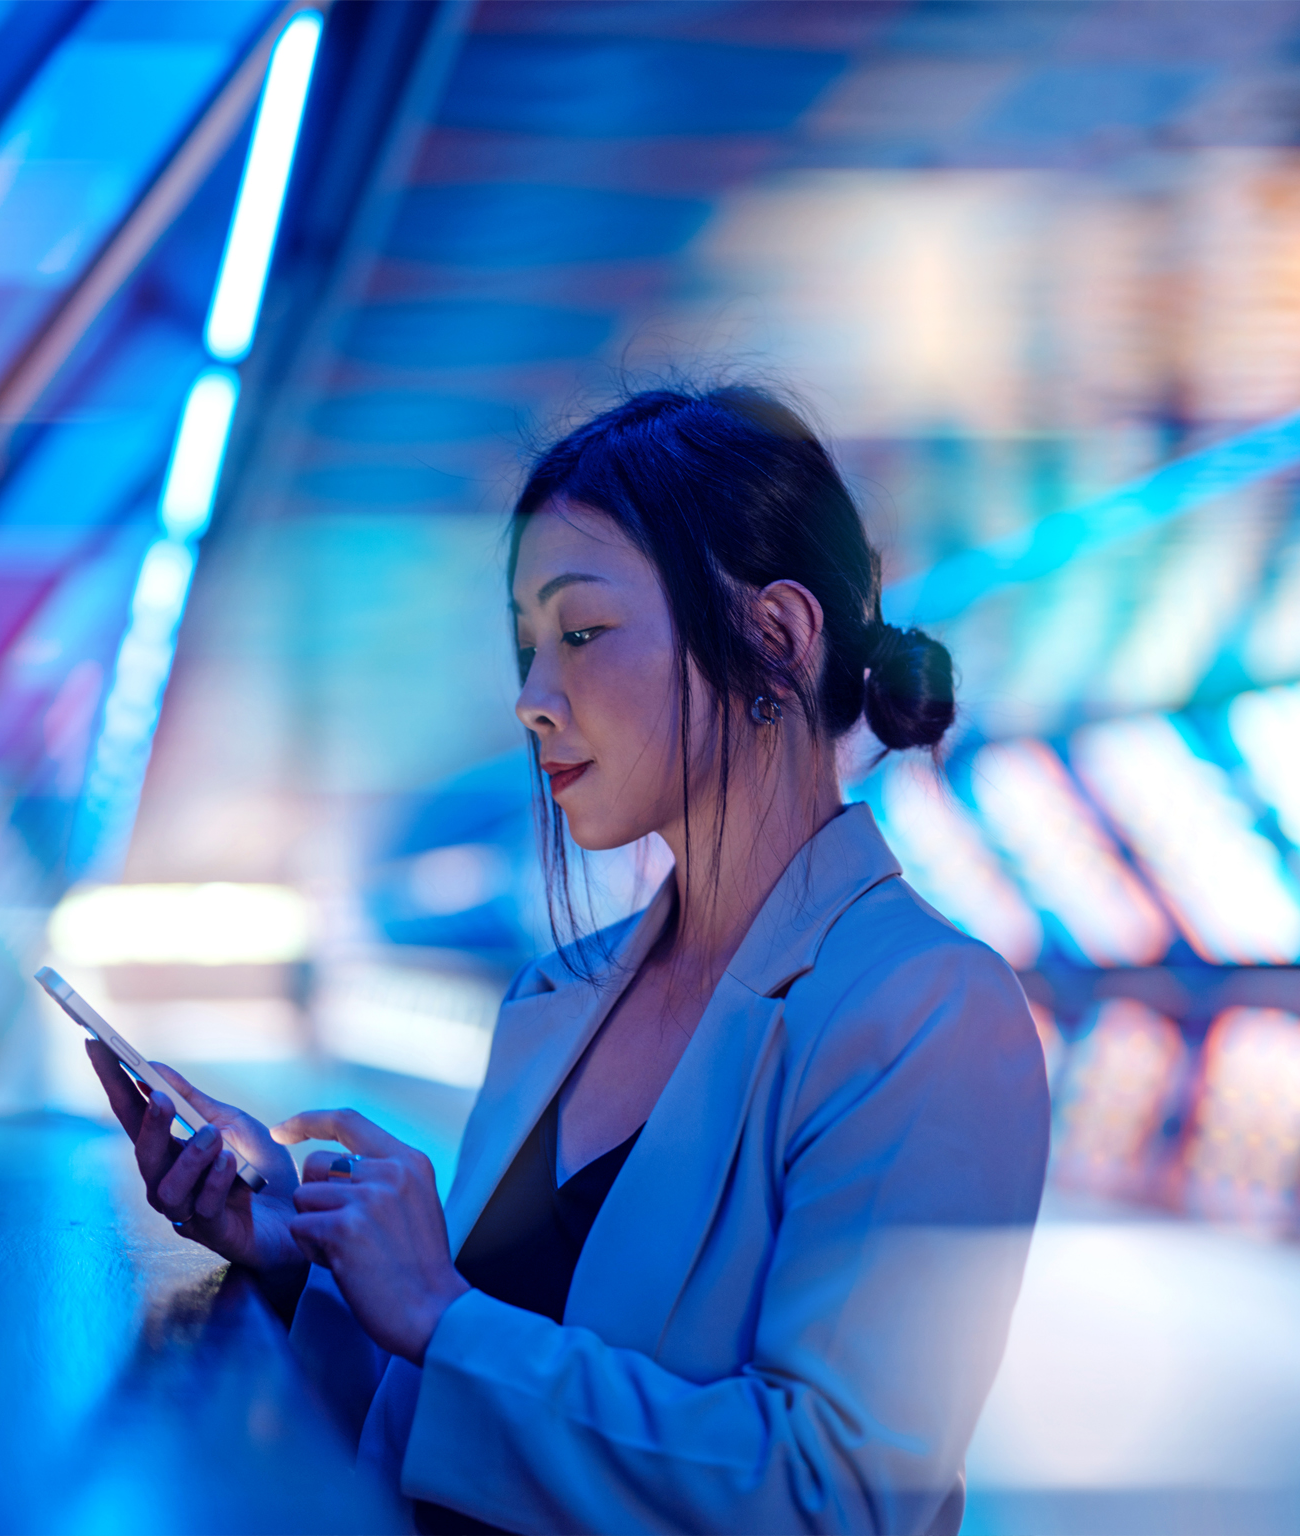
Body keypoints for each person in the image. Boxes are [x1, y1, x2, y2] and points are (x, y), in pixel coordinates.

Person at [88, 385, 1050, 1535]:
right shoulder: (563, 994)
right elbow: (467, 1400)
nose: (534, 702)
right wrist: (306, 1254)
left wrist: (439, 1312)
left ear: (778, 637)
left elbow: (835, 1497)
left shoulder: (928, 1012)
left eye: (581, 633)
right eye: (526, 647)